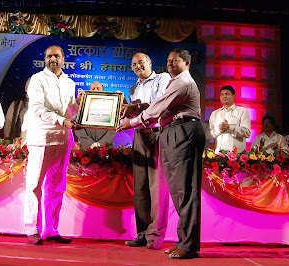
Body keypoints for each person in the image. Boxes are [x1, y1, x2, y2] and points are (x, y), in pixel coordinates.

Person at [117, 48, 205, 259]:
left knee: (185, 190)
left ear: (186, 63)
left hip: (182, 131)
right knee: (178, 190)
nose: (170, 63)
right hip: (173, 131)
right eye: (168, 60)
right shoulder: (175, 82)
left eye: (175, 60)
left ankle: (188, 244)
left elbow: (157, 108)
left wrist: (132, 121)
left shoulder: (180, 82)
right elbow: (158, 108)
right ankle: (184, 241)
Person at [24, 45, 82, 245]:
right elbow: (38, 108)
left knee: (57, 187)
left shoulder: (69, 82)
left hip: (63, 139)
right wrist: (62, 120)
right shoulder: (37, 80)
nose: (53, 59)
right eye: (49, 56)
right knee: (35, 185)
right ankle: (32, 228)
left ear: (63, 58)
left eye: (57, 56)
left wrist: (80, 106)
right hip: (42, 138)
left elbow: (70, 109)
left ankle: (51, 229)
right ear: (45, 59)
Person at [120, 53, 171, 250]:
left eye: (141, 62)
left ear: (150, 63)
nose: (138, 66)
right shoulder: (133, 88)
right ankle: (142, 234)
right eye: (134, 64)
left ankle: (155, 236)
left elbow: (158, 106)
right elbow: (134, 113)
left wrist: (135, 107)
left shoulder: (163, 78)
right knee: (140, 188)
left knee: (157, 188)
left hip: (158, 135)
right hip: (140, 136)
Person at [206, 86, 251, 153]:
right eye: (222, 94)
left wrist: (230, 127)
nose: (224, 96)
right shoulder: (215, 114)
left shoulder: (242, 111)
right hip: (218, 155)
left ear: (234, 96)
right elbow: (208, 135)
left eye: (227, 94)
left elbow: (247, 132)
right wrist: (219, 131)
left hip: (236, 156)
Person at [75, 81, 116, 149]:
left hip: (106, 148)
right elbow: (78, 129)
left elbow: (113, 129)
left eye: (98, 88)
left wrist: (101, 143)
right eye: (93, 88)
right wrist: (90, 144)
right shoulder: (82, 107)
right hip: (86, 147)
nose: (95, 90)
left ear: (103, 91)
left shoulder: (111, 107)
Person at [4, 77, 30, 145]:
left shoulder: (44, 104)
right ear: (26, 88)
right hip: (19, 140)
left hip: (37, 141)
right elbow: (8, 121)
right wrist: (7, 137)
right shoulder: (17, 103)